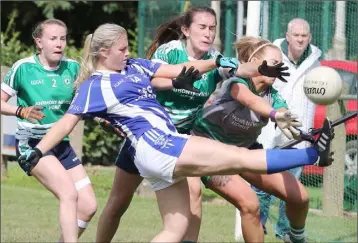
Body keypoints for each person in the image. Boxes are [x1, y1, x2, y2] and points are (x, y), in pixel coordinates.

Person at [18, 23, 334, 243]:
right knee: (239, 158)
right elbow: (65, 124)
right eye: (122, 49)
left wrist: (227, 64)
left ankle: (312, 153)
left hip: (159, 150)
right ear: (103, 52)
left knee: (176, 225)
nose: (128, 53)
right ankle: (313, 154)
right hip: (157, 145)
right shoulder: (93, 85)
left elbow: (183, 72)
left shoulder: (134, 67)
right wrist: (38, 150)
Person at [96, 6, 290, 243]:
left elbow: (239, 70)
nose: (208, 33)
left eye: (212, 28)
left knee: (193, 193)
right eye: (202, 27)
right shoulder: (170, 51)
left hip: (185, 138)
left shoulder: (214, 59)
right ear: (186, 30)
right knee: (117, 204)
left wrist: (261, 69)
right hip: (148, 135)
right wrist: (177, 83)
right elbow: (152, 80)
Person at [191, 36, 332, 243]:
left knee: (300, 196)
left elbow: (284, 114)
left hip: (246, 152)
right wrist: (275, 115)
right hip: (211, 152)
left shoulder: (273, 95)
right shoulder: (236, 82)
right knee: (251, 204)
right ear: (255, 62)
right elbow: (250, 100)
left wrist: (302, 134)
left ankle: (296, 238)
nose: (279, 67)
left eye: (280, 64)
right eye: (275, 63)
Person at [0, 19, 97, 242]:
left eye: (62, 38)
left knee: (89, 205)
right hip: (31, 144)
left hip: (61, 145)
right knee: (69, 194)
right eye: (53, 39)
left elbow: (87, 103)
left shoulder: (73, 68)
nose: (59, 44)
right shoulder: (23, 68)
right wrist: (20, 111)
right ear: (39, 42)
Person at [256, 18, 322, 241]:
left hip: (298, 133)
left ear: (310, 37)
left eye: (304, 35)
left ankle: (286, 232)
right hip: (269, 131)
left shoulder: (316, 63)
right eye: (296, 35)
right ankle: (257, 226)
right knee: (262, 186)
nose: (301, 39)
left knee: (292, 190)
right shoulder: (272, 57)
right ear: (287, 36)